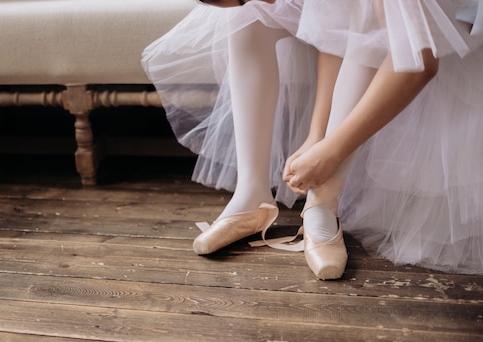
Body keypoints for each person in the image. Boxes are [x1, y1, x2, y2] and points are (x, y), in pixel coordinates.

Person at [142, 0, 483, 278]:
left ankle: (323, 204)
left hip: (439, 26)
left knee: (367, 22)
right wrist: (315, 135)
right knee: (247, 20)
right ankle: (252, 193)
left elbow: (417, 64)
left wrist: (331, 153)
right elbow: (334, 28)